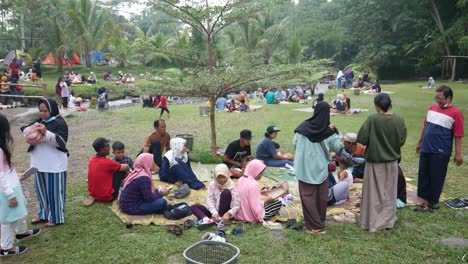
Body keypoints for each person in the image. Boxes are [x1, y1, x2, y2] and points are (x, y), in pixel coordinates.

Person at [357, 93, 407, 233]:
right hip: (392, 162)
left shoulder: (373, 119)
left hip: (375, 162)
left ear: (377, 106)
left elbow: (362, 138)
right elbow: (401, 140)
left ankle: (372, 221)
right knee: (389, 193)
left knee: (374, 194)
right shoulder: (399, 119)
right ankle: (388, 221)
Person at [294, 101, 343, 234]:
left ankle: (313, 224)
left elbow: (295, 143)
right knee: (321, 196)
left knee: (307, 196)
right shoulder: (329, 132)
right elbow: (338, 147)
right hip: (321, 169)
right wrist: (337, 133)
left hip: (304, 168)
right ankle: (319, 222)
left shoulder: (302, 128)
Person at [20, 98, 69, 227]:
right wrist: (32, 130)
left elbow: (62, 143)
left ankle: (56, 217)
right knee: (41, 192)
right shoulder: (40, 121)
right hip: (39, 163)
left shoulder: (60, 123)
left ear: (52, 109)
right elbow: (24, 129)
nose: (42, 113)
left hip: (54, 164)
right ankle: (43, 214)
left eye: (45, 111)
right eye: (40, 111)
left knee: (54, 193)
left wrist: (45, 133)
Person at [415, 86, 464, 212]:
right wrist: (419, 141)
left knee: (436, 176)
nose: (437, 100)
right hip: (426, 148)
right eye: (436, 97)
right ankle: (423, 200)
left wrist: (458, 154)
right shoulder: (432, 108)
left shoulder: (456, 113)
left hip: (441, 151)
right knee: (423, 174)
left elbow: (458, 135)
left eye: (440, 98)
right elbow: (425, 126)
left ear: (449, 98)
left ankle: (433, 201)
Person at [0, 114, 41, 256]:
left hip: (12, 186)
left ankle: (21, 232)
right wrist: (10, 195)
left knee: (19, 211)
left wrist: (16, 177)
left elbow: (5, 170)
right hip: (7, 191)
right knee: (8, 219)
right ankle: (5, 247)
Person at [85, 138, 130, 206]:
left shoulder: (91, 160)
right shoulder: (107, 162)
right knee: (121, 171)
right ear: (102, 149)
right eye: (108, 146)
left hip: (94, 194)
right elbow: (126, 167)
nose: (109, 148)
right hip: (107, 197)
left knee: (114, 170)